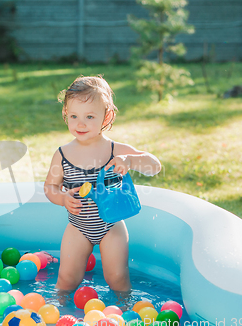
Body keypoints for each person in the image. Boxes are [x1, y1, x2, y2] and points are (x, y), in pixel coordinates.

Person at [44, 76, 161, 293]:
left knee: (117, 277)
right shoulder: (62, 155)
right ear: (65, 114)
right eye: (74, 116)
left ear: (107, 116)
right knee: (67, 278)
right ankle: (59, 311)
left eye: (90, 116)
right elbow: (50, 187)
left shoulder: (115, 150)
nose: (80, 123)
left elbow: (155, 166)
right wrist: (62, 198)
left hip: (111, 226)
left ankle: (125, 309)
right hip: (78, 226)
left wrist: (131, 161)